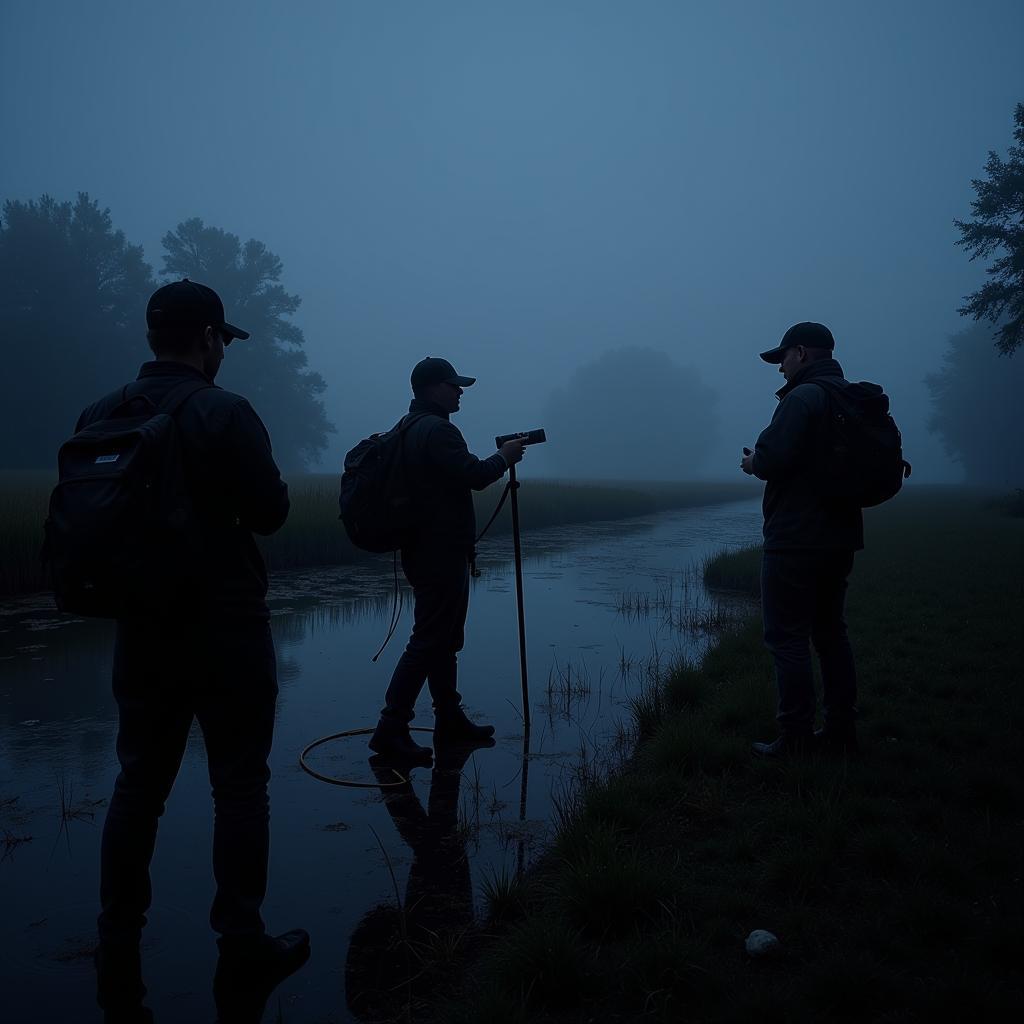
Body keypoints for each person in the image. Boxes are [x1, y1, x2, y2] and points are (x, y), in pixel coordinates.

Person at [83, 280, 309, 1019]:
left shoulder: (101, 412)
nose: (224, 352)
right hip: (225, 629)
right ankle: (241, 939)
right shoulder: (225, 412)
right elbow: (271, 513)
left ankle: (117, 936)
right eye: (223, 340)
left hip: (140, 630)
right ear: (208, 336)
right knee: (239, 785)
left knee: (137, 784)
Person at [368, 357, 526, 763]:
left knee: (442, 640)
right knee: (428, 641)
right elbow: (473, 475)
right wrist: (506, 457)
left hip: (425, 550)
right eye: (453, 385)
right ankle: (391, 727)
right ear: (431, 388)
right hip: (439, 553)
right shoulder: (438, 430)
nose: (460, 392)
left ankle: (449, 720)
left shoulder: (408, 427)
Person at [740, 322, 861, 757]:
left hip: (794, 537)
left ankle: (794, 737)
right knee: (831, 633)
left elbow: (771, 459)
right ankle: (841, 730)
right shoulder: (847, 396)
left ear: (803, 354)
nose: (780, 369)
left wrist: (753, 462)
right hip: (841, 535)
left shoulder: (804, 397)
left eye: (784, 358)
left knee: (787, 637)